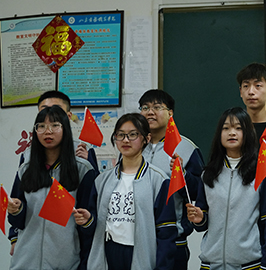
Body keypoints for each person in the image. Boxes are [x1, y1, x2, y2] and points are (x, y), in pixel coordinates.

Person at [186, 107, 266, 270]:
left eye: (238, 128)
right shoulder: (208, 173)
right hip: (211, 264)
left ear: (248, 133)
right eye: (226, 128)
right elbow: (202, 225)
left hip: (249, 264)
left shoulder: (262, 171)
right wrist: (200, 219)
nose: (232, 133)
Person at [79, 113, 177, 270]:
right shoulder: (102, 180)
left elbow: (166, 232)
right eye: (120, 135)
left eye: (133, 135)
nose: (125, 140)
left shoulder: (159, 180)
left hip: (141, 254)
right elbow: (94, 224)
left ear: (146, 138)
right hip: (109, 252)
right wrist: (88, 221)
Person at [9, 90, 99, 257]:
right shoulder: (27, 164)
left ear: (66, 119)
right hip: (26, 258)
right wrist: (14, 226)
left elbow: (91, 211)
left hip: (64, 258)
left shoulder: (82, 162)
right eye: (42, 125)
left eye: (55, 124)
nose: (48, 131)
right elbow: (18, 207)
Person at [138, 89, 204, 270]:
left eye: (157, 107)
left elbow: (199, 191)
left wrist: (183, 174)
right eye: (145, 108)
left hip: (174, 239)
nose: (150, 112)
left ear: (170, 113)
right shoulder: (133, 145)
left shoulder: (186, 147)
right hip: (137, 238)